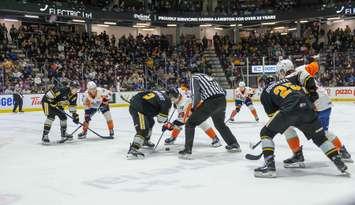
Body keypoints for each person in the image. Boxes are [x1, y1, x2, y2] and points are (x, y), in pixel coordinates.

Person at [254, 76, 348, 178]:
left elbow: (273, 116)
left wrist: (286, 120)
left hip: (289, 110)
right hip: (308, 107)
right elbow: (303, 87)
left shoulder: (265, 93)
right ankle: (339, 162)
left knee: (265, 133)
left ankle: (269, 167)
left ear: (262, 84)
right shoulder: (286, 81)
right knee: (320, 139)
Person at [275, 60, 352, 167]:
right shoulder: (301, 69)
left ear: (283, 71)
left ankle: (298, 155)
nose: (278, 75)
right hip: (321, 103)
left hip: (317, 105)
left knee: (319, 133)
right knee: (320, 132)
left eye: (279, 72)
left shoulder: (290, 79)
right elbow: (315, 65)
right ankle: (342, 150)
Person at [178, 70, 241, 159]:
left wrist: (193, 108)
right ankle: (234, 144)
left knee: (190, 123)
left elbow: (196, 96)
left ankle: (187, 150)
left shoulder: (194, 77)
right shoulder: (209, 78)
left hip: (211, 101)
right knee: (220, 124)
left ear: (189, 73)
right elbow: (223, 91)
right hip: (222, 100)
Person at [127, 90, 172, 159]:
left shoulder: (158, 92)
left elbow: (143, 94)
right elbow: (160, 120)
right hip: (139, 110)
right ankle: (133, 149)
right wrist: (165, 121)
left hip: (141, 106)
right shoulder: (167, 101)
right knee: (143, 128)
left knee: (151, 122)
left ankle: (145, 141)